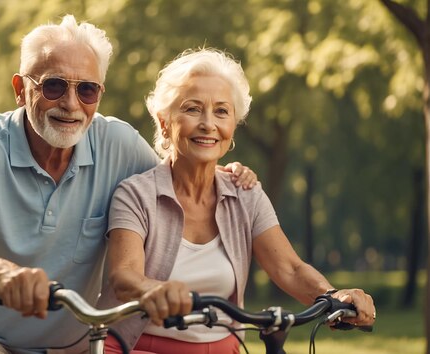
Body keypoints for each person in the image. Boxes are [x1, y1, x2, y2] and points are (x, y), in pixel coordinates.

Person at [0, 15, 257, 354]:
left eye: (86, 89)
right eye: (53, 86)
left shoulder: (120, 145)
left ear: (99, 94)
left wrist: (224, 173)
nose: (70, 104)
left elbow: (178, 187)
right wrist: (2, 275)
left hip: (76, 347)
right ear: (20, 90)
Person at [97, 48, 377, 354]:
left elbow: (290, 269)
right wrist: (158, 291)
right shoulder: (135, 194)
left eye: (221, 111)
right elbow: (125, 276)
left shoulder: (245, 193)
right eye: (192, 109)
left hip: (222, 346)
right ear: (164, 122)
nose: (208, 123)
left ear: (232, 127)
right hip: (136, 346)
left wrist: (334, 296)